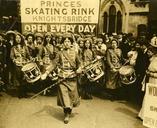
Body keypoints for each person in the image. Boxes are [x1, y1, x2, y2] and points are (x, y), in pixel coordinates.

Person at [41, 33, 82, 124]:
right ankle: (66, 114)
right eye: (65, 41)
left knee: (71, 96)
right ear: (63, 43)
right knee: (64, 96)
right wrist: (46, 73)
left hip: (72, 77)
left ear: (71, 43)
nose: (66, 43)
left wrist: (79, 69)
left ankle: (68, 109)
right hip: (62, 77)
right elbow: (54, 64)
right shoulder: (59, 53)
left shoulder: (75, 53)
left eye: (68, 41)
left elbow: (80, 64)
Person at [10, 32, 31, 98]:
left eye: (19, 38)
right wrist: (14, 60)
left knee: (24, 78)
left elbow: (28, 55)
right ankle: (20, 93)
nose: (18, 39)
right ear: (15, 39)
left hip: (25, 64)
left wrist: (30, 59)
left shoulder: (25, 47)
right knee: (18, 79)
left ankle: (24, 93)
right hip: (17, 65)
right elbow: (11, 56)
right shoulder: (13, 48)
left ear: (21, 39)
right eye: (16, 38)